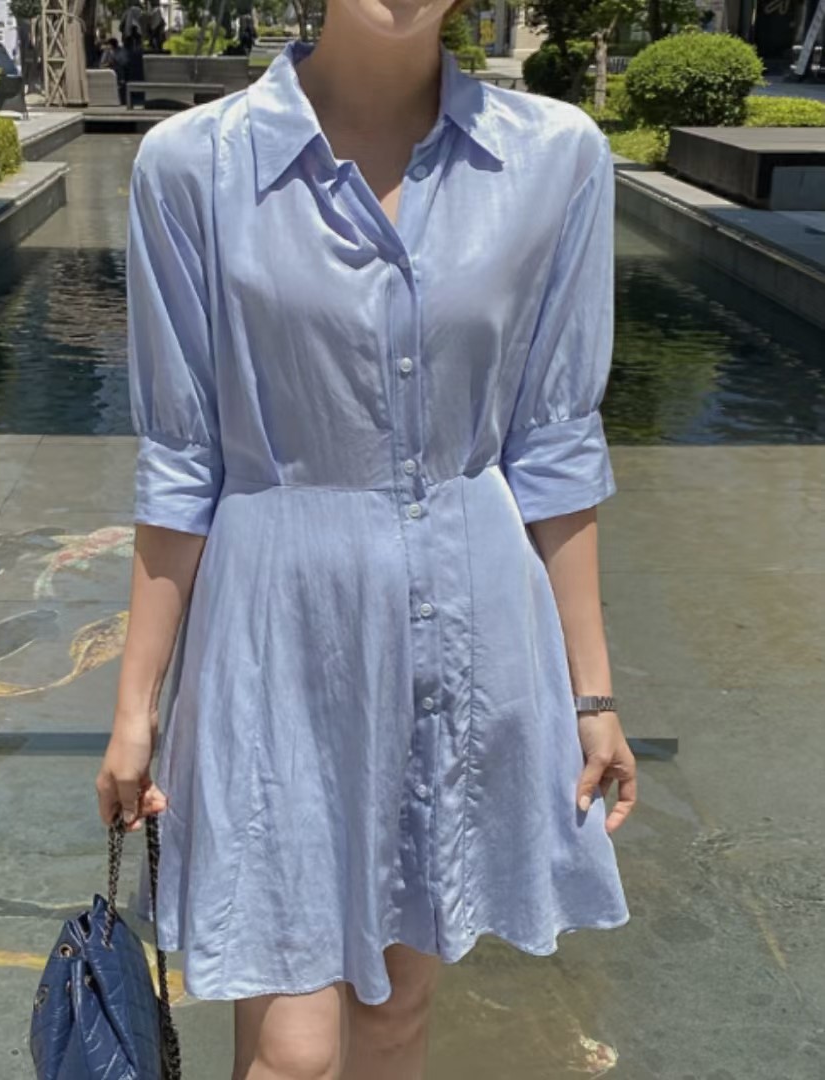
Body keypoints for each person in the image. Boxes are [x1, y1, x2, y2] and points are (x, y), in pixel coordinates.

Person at [97, 0, 638, 1073]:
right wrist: (135, 709)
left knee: (396, 1010)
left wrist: (593, 696)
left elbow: (555, 446)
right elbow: (182, 459)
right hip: (275, 627)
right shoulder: (194, 164)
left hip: (467, 620)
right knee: (292, 1052)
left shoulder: (557, 157)